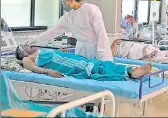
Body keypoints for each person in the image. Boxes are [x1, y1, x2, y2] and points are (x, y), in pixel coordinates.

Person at [27, 0, 112, 61]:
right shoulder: (68, 17)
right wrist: (35, 39)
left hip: (96, 46)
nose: (63, 5)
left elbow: (101, 32)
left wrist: (101, 51)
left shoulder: (91, 9)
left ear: (71, 0)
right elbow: (53, 31)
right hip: (81, 48)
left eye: (64, 2)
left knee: (103, 72)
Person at [15, 44, 152, 80]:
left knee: (98, 63)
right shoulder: (27, 58)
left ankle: (130, 70)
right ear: (23, 52)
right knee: (90, 68)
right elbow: (33, 68)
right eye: (26, 46)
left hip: (68, 58)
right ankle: (129, 73)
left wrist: (61, 51)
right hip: (62, 65)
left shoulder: (41, 50)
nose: (30, 46)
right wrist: (48, 71)